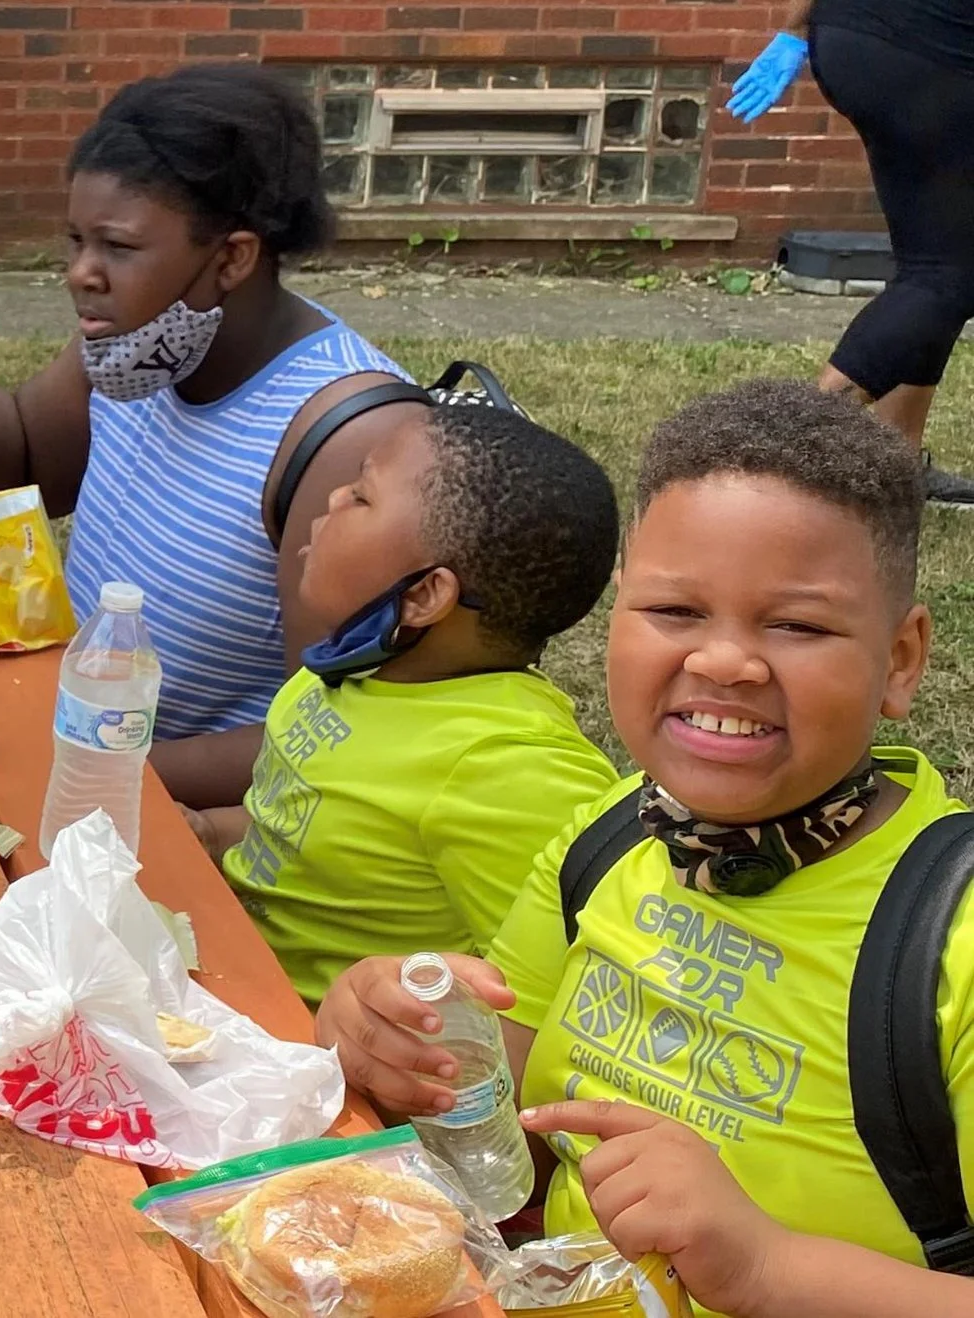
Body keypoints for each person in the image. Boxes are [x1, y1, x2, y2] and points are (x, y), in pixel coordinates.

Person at [315, 380, 974, 1316]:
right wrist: (390, 1040)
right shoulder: (615, 834)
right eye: (674, 612)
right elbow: (502, 1124)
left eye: (796, 625)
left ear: (901, 660)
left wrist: (765, 1268)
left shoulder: (949, 938)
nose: (725, 662)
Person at [0, 64, 415, 808]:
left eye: (117, 247)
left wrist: (84, 774)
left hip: (177, 812)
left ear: (232, 258)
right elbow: (30, 452)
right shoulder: (144, 347)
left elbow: (336, 727)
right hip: (67, 749)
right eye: (75, 240)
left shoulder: (343, 438)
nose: (81, 273)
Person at [188, 404, 620, 1005]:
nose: (334, 498)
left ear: (421, 595)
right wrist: (208, 832)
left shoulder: (507, 767)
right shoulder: (355, 668)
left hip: (319, 1063)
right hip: (220, 972)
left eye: (362, 497)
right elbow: (303, 834)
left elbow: (556, 987)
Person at [726, 0, 974, 503]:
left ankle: (895, 460)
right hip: (934, 51)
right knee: (948, 277)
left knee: (932, 261)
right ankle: (783, 459)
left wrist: (797, 29)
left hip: (849, 39)